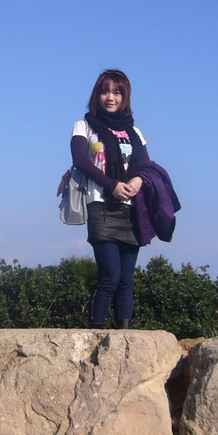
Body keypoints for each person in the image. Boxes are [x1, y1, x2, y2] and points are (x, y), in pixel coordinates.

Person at [70, 69, 149, 329]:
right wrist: (112, 185)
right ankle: (96, 332)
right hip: (101, 206)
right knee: (110, 277)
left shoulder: (134, 132)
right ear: (97, 94)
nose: (110, 97)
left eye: (117, 92)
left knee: (126, 278)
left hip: (131, 209)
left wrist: (137, 181)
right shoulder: (85, 126)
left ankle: (125, 334)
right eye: (105, 91)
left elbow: (146, 167)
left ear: (125, 97)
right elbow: (81, 161)